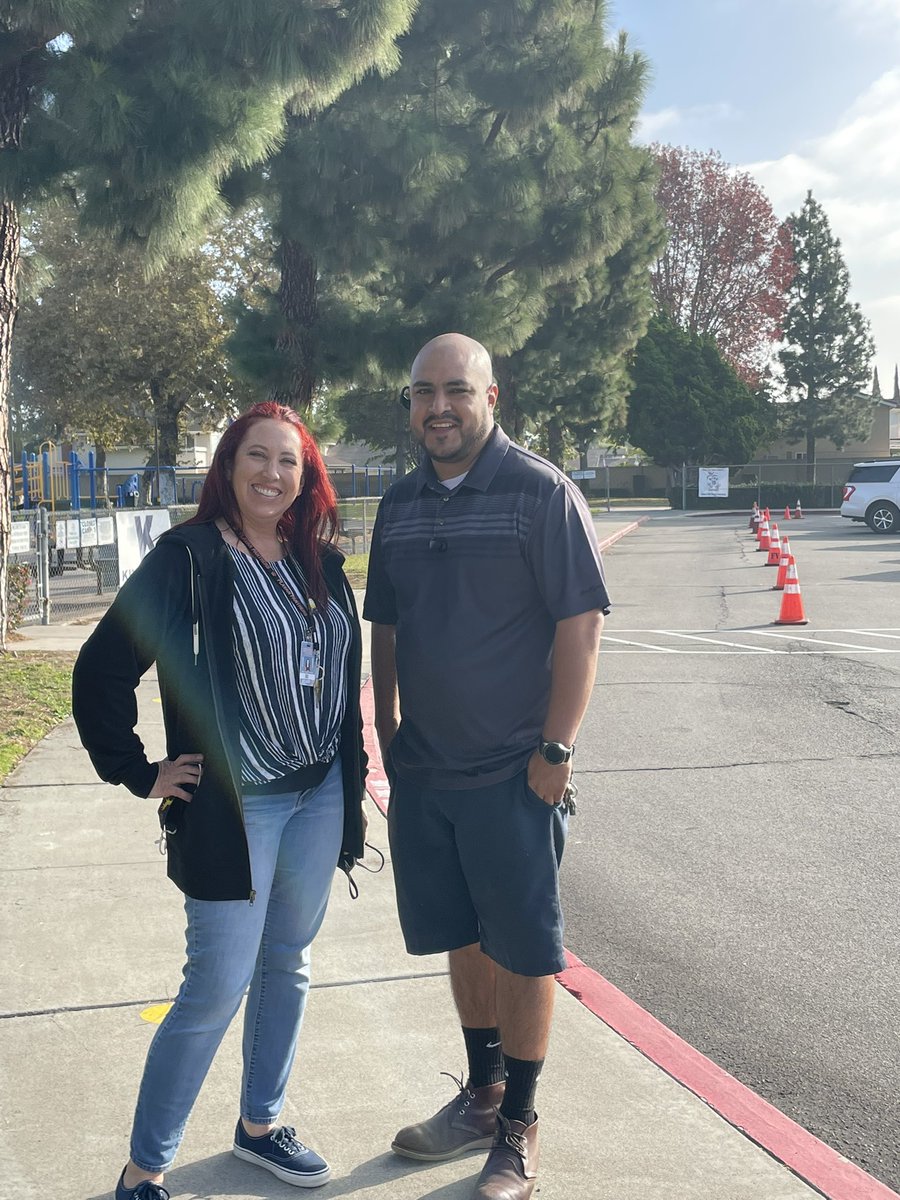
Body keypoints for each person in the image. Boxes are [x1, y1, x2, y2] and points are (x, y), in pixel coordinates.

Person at [73, 401, 367, 1200]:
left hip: (316, 799)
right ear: (229, 467)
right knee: (215, 986)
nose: (273, 473)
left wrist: (352, 780)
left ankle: (260, 1128)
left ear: (306, 478)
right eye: (257, 456)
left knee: (288, 964)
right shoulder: (191, 558)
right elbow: (103, 667)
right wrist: (137, 770)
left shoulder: (319, 561)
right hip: (239, 810)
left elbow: (339, 682)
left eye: (289, 461)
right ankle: (144, 1170)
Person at [364, 334, 609, 1200]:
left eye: (457, 391)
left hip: (515, 772)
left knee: (525, 950)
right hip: (427, 772)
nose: (439, 407)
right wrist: (386, 727)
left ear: (490, 398)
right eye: (423, 392)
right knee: (461, 936)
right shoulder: (399, 504)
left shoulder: (542, 493)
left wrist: (557, 746)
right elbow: (385, 621)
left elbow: (582, 623)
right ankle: (481, 1094)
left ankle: (519, 1126)